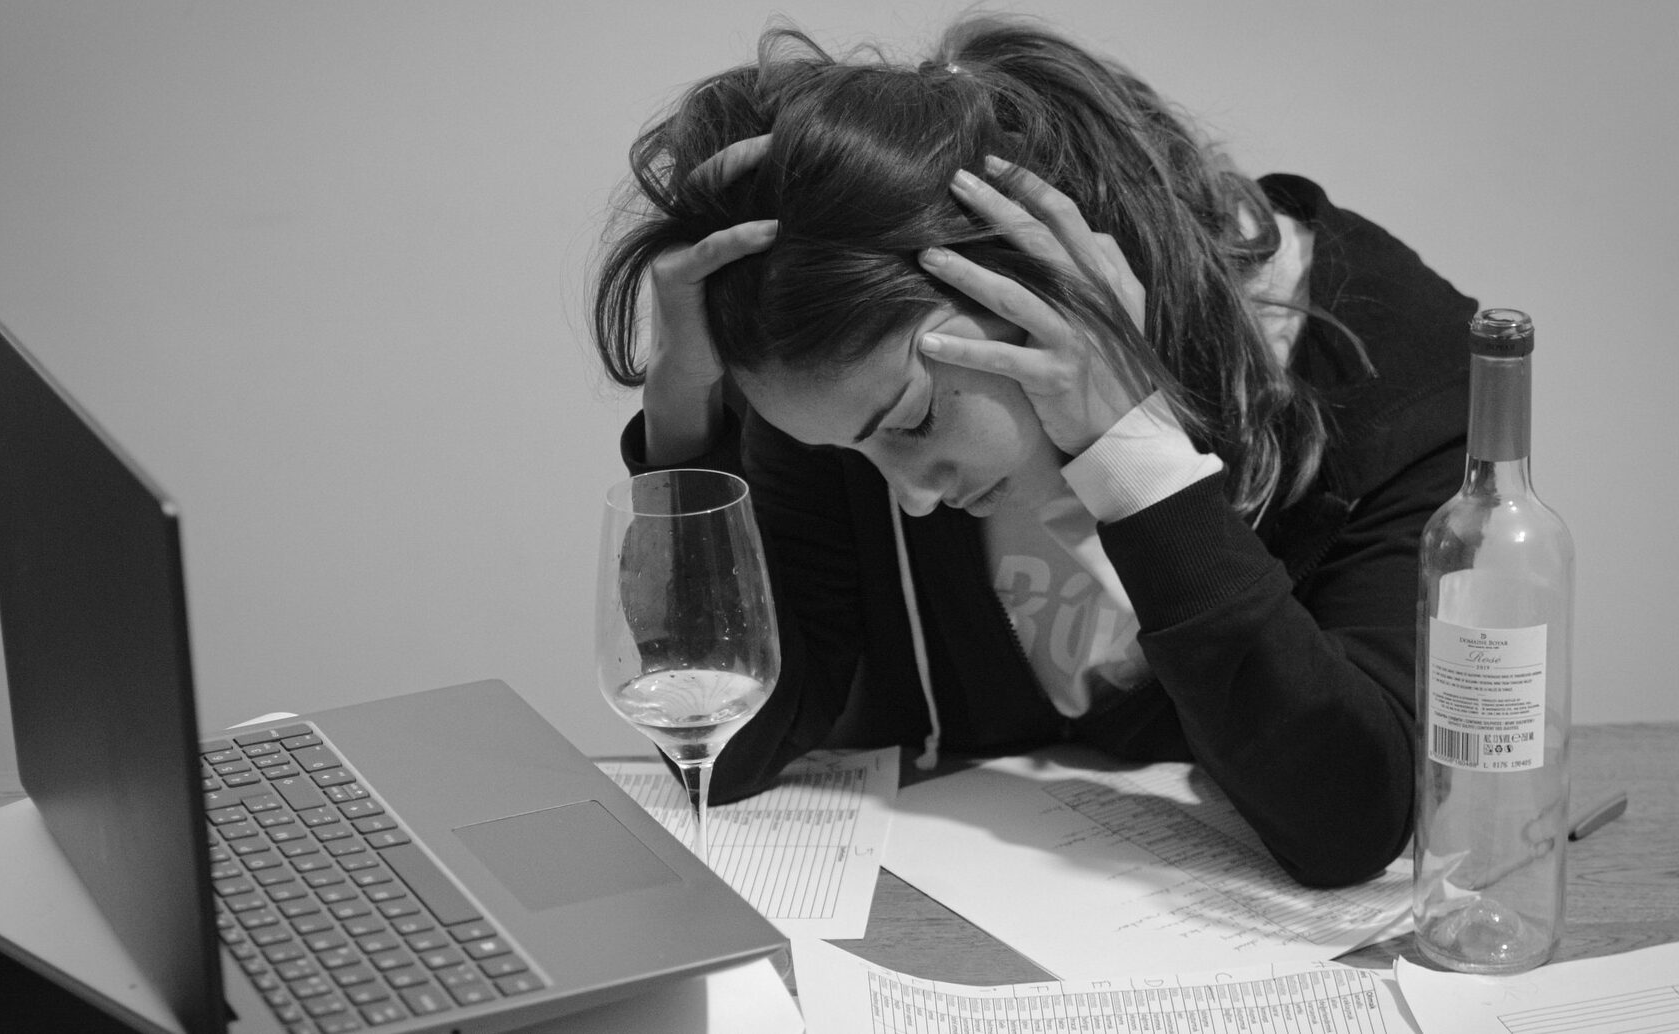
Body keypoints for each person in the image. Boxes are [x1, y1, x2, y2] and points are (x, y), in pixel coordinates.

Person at [590, 13, 1477, 888]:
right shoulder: (846, 383)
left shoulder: (1394, 365)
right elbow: (730, 750)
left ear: (1040, 284)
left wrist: (1136, 457)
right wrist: (683, 425)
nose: (911, 497)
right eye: (854, 454)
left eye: (914, 422)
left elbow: (1350, 820)